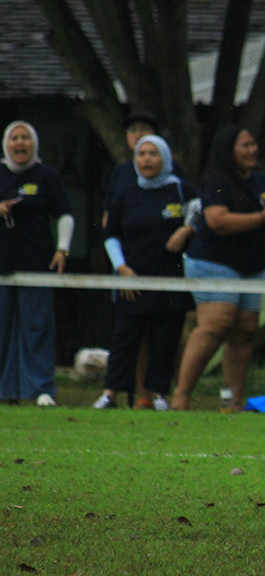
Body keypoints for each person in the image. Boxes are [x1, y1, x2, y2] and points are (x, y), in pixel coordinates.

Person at [170, 124, 265, 411]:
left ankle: (231, 402)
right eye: (245, 145)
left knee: (245, 331)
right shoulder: (217, 181)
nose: (252, 150)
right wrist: (263, 218)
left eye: (254, 144)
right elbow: (217, 221)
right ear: (228, 151)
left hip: (251, 265)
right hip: (213, 261)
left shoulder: (262, 181)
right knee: (216, 325)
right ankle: (181, 397)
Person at [91, 135, 197, 411]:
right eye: (142, 154)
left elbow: (200, 213)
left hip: (170, 278)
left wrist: (186, 229)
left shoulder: (181, 190)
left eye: (153, 154)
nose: (147, 159)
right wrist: (121, 268)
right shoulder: (126, 193)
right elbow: (111, 235)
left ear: (165, 158)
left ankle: (158, 393)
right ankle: (110, 393)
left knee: (165, 338)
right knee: (125, 337)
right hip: (132, 278)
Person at [0, 120, 74, 407]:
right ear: (6, 144)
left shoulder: (46, 176)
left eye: (25, 138)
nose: (20, 143)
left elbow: (65, 214)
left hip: (35, 263)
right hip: (2, 266)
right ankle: (6, 391)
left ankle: (41, 389)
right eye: (15, 138)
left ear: (34, 144)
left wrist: (62, 249)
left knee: (37, 326)